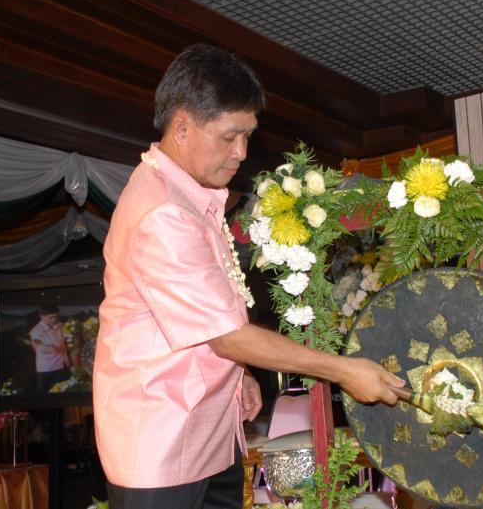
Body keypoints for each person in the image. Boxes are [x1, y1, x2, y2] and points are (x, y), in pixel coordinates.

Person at [93, 44, 404, 509]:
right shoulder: (164, 212)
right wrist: (344, 370)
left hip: (205, 431)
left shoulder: (186, 193)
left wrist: (236, 376)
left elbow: (203, 321)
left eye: (247, 137)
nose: (241, 153)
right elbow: (228, 336)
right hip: (162, 441)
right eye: (229, 137)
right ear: (182, 127)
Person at [29, 304, 70, 393]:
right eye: (50, 317)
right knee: (44, 394)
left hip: (61, 365)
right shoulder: (36, 331)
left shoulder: (60, 324)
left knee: (62, 391)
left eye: (56, 316)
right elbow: (42, 349)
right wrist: (59, 348)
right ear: (42, 317)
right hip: (46, 368)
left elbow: (65, 340)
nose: (54, 319)